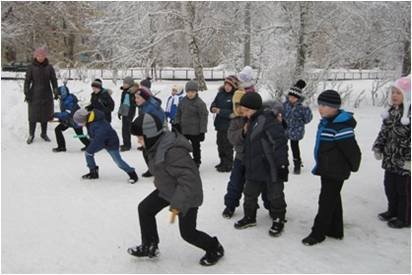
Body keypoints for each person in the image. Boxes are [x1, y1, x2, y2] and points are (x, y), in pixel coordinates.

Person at [128, 113, 224, 266]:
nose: (138, 141)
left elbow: (189, 181)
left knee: (188, 233)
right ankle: (150, 245)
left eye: (140, 137)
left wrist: (177, 204)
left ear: (150, 135)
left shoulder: (173, 151)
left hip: (187, 196)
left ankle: (214, 247)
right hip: (168, 190)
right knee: (145, 209)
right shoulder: (153, 146)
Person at [302, 90, 361, 246]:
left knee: (326, 201)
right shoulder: (328, 122)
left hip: (336, 170)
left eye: (325, 105)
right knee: (333, 198)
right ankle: (335, 229)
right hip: (327, 167)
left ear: (335, 107)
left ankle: (318, 233)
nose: (321, 108)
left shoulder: (340, 126)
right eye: (320, 104)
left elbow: (351, 149)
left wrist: (353, 166)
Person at [234, 92, 289, 237]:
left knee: (275, 195)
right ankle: (249, 217)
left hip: (271, 166)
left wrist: (282, 165)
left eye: (247, 111)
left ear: (255, 108)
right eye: (243, 111)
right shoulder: (252, 120)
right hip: (254, 166)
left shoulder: (269, 121)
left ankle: (278, 219)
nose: (245, 114)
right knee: (249, 193)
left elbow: (280, 143)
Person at [222, 90, 270, 218]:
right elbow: (232, 138)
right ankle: (230, 205)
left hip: (257, 159)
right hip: (241, 157)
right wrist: (242, 132)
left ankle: (270, 205)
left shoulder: (257, 118)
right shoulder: (235, 120)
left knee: (263, 184)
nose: (239, 109)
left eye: (241, 105)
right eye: (236, 105)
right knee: (235, 182)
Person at [373, 75, 411, 228]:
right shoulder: (390, 113)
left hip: (405, 162)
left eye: (398, 93)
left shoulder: (409, 115)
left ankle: (405, 217)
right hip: (390, 159)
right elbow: (384, 132)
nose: (394, 95)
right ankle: (392, 210)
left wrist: (410, 159)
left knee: (404, 190)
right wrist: (378, 146)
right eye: (393, 92)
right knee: (390, 186)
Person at [73, 108, 138, 184]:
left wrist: (91, 146)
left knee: (118, 161)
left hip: (111, 142)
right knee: (88, 153)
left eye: (79, 123)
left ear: (83, 120)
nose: (79, 125)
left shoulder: (97, 124)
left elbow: (99, 139)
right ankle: (93, 172)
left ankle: (132, 174)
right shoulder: (90, 120)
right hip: (102, 141)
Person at [24, 47, 58, 144]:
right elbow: (27, 81)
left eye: (42, 56)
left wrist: (55, 91)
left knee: (45, 115)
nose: (41, 57)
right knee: (33, 116)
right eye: (39, 56)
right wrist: (26, 92)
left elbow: (53, 80)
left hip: (46, 94)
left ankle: (44, 134)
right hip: (34, 94)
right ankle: (31, 134)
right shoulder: (31, 67)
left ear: (45, 56)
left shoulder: (49, 67)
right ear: (36, 56)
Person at [174, 80, 208, 168]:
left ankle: (197, 161)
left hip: (195, 131)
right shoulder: (183, 101)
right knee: (183, 146)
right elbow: (178, 113)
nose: (190, 94)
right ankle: (184, 160)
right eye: (188, 92)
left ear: (196, 92)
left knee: (195, 147)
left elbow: (204, 118)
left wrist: (202, 131)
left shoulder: (200, 103)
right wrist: (176, 123)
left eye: (192, 92)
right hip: (184, 130)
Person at [135, 86, 166, 177]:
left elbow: (159, 121)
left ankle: (158, 170)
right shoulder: (143, 106)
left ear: (144, 98)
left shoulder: (151, 108)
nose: (135, 100)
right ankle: (152, 169)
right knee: (147, 152)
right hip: (148, 132)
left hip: (156, 133)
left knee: (153, 152)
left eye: (138, 98)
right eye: (135, 97)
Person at [283, 79, 313, 174]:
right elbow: (280, 113)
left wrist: (302, 121)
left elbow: (308, 118)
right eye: (290, 96)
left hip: (296, 131)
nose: (291, 98)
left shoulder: (302, 107)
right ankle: (283, 163)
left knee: (294, 147)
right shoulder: (285, 104)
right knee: (282, 147)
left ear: (298, 98)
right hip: (285, 129)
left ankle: (297, 164)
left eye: (294, 97)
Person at [210, 75, 239, 172]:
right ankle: (222, 161)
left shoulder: (235, 96)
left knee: (227, 145)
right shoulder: (220, 94)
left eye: (229, 85)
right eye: (226, 84)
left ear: (233, 86)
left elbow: (234, 112)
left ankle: (228, 164)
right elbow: (214, 103)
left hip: (229, 126)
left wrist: (220, 111)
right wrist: (213, 108)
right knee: (220, 144)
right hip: (219, 125)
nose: (227, 87)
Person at [52, 83, 90, 152]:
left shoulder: (69, 101)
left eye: (59, 95)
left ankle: (89, 145)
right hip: (69, 120)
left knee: (79, 134)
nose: (58, 97)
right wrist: (61, 118)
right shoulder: (65, 99)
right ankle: (61, 147)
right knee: (58, 130)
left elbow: (67, 113)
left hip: (75, 120)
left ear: (62, 94)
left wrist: (55, 115)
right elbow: (66, 112)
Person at [118, 77, 138, 152]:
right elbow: (122, 103)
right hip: (124, 111)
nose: (124, 84)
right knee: (124, 128)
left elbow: (135, 103)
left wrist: (131, 112)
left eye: (126, 83)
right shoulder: (124, 91)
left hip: (130, 112)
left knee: (127, 128)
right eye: (123, 83)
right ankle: (125, 143)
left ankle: (127, 145)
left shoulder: (132, 92)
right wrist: (120, 112)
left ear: (130, 84)